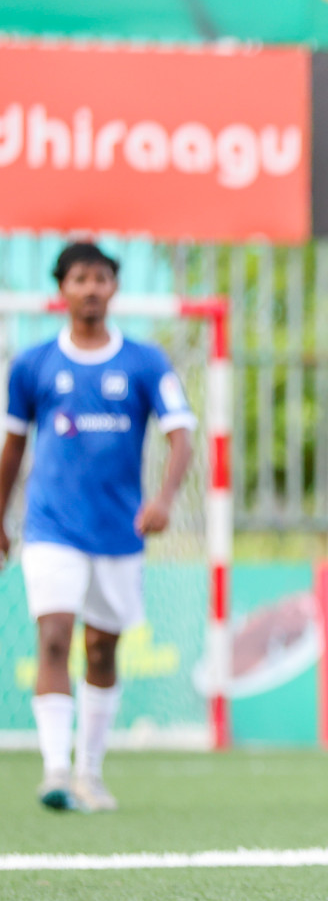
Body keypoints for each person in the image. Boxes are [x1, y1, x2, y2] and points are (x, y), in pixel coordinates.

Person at [0, 242, 197, 813]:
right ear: (61, 289)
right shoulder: (33, 365)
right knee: (55, 637)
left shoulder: (145, 362)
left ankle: (90, 770)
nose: (91, 288)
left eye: (101, 278)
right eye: (80, 278)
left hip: (119, 532)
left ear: (114, 288)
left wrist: (163, 499)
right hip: (51, 528)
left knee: (102, 651)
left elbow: (180, 434)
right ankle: (56, 772)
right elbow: (13, 447)